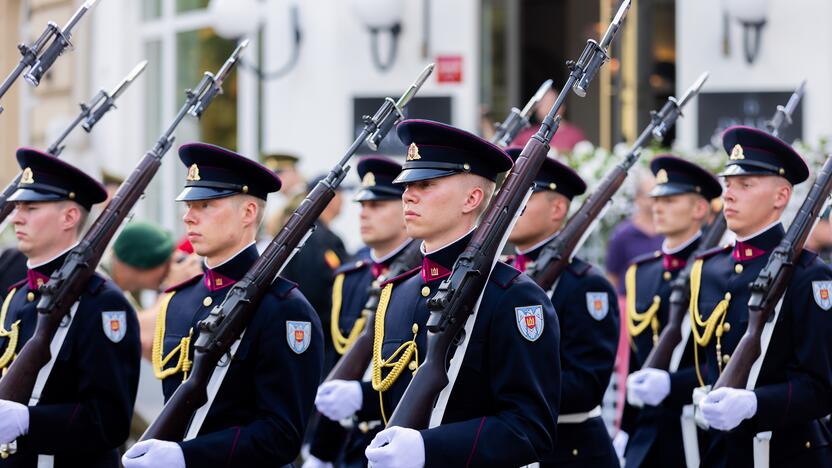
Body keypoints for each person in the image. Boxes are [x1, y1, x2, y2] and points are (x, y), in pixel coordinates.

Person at [315, 119, 561, 467]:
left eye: (426, 184)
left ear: (472, 198)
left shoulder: (514, 297)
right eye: (407, 184)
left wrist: (430, 448)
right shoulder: (396, 294)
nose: (408, 194)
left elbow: (530, 429)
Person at [122, 143, 323, 467]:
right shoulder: (177, 301)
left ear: (248, 213)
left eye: (205, 205)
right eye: (189, 205)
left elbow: (281, 435)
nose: (189, 216)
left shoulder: (284, 309)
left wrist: (186, 456)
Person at [687, 126, 832, 466]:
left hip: (788, 455)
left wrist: (755, 403)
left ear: (781, 197)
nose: (729, 195)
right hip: (722, 453)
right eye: (728, 184)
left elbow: (822, 388)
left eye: (745, 185)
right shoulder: (708, 269)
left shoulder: (809, 276)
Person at [0, 148, 141, 467]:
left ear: (69, 217)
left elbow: (109, 421)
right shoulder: (18, 296)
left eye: (31, 207)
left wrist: (28, 420)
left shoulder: (103, 303)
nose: (16, 216)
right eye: (18, 206)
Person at [503, 148, 619, 467]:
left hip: (569, 453)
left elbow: (586, 386)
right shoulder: (501, 276)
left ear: (557, 208)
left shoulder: (585, 286)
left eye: (526, 194)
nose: (512, 204)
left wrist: (503, 388)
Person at [306, 156, 415, 468]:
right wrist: (321, 449)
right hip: (347, 444)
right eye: (362, 205)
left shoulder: (422, 280)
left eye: (378, 205)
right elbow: (338, 362)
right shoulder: (351, 278)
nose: (364, 214)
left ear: (406, 209)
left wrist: (364, 397)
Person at [621, 155, 723, 467]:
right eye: (656, 199)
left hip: (696, 434)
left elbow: (723, 361)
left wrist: (673, 385)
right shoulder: (642, 272)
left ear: (699, 209)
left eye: (671, 199)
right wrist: (625, 428)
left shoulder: (717, 271)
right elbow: (638, 360)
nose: (658, 207)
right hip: (646, 435)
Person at [281, 175, 349, 372]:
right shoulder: (317, 238)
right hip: (318, 336)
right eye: (341, 194)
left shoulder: (317, 234)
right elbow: (311, 291)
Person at [606, 170, 664, 295]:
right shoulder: (623, 234)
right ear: (638, 199)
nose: (657, 201)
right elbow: (612, 276)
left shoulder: (669, 230)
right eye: (652, 195)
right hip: (629, 305)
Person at [509, 87, 587, 152]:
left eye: (546, 103)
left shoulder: (574, 134)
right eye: (540, 103)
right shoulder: (528, 135)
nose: (540, 106)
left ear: (561, 107)